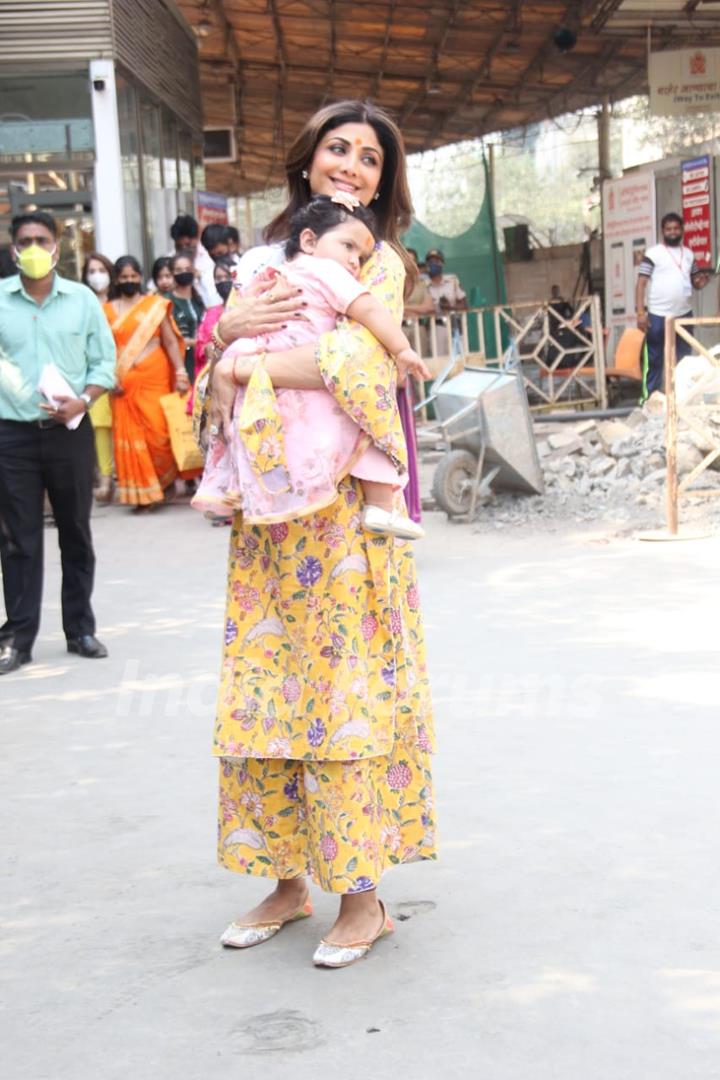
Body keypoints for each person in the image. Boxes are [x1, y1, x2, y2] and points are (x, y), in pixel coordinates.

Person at [204, 100, 436, 969]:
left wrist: (237, 356)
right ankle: (286, 880)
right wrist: (225, 341)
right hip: (266, 521)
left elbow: (354, 367)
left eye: (370, 157)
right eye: (337, 149)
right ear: (306, 163)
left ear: (385, 178)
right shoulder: (265, 263)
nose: (351, 166)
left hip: (344, 524)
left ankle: (363, 896)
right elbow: (213, 369)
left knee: (345, 702)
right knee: (265, 694)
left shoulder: (378, 265)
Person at [194, 195, 427, 540]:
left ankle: (229, 487)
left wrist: (229, 364)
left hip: (261, 367)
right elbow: (371, 312)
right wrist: (403, 349)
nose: (353, 260)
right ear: (308, 240)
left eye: (360, 256)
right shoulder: (327, 271)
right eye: (347, 246)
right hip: (304, 366)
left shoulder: (269, 272)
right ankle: (380, 505)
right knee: (367, 420)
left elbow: (243, 320)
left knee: (252, 430)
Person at [0, 211, 116, 674]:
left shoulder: (83, 300)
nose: (32, 247)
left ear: (56, 247)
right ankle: (17, 638)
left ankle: (80, 629)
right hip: (12, 434)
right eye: (24, 240)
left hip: (70, 429)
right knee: (17, 539)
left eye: (41, 239)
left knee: (75, 531)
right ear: (13, 250)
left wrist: (83, 402)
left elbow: (104, 364)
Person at [105, 255, 189, 509]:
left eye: (133, 276)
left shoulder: (155, 305)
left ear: (140, 277)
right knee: (130, 436)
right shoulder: (107, 310)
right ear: (117, 280)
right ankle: (142, 494)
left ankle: (163, 484)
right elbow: (103, 348)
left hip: (156, 378)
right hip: (123, 384)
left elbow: (171, 341)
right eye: (124, 277)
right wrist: (109, 377)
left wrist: (181, 372)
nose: (129, 281)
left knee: (159, 434)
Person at [636, 212, 711, 400]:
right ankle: (649, 398)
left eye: (676, 228)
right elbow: (641, 283)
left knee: (684, 360)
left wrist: (702, 282)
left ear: (682, 231)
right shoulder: (653, 253)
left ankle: (680, 399)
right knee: (654, 359)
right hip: (658, 315)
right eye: (669, 229)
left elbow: (695, 282)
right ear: (663, 231)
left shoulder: (689, 254)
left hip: (684, 314)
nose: (672, 232)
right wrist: (640, 312)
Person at [81, 252, 116, 503]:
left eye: (101, 270)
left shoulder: (121, 303)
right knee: (100, 426)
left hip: (126, 373)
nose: (97, 276)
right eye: (91, 271)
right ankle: (105, 477)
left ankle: (124, 476)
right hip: (94, 375)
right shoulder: (80, 303)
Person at [168, 251, 206, 384]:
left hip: (201, 361)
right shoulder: (167, 302)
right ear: (172, 273)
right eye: (179, 270)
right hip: (179, 363)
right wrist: (195, 342)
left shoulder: (199, 299)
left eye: (187, 269)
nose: (183, 272)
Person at [425, 247, 467, 360]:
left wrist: (450, 307)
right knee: (440, 361)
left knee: (460, 359)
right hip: (437, 326)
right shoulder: (424, 285)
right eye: (430, 262)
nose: (432, 264)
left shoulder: (452, 281)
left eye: (436, 261)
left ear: (442, 263)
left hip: (455, 324)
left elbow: (465, 305)